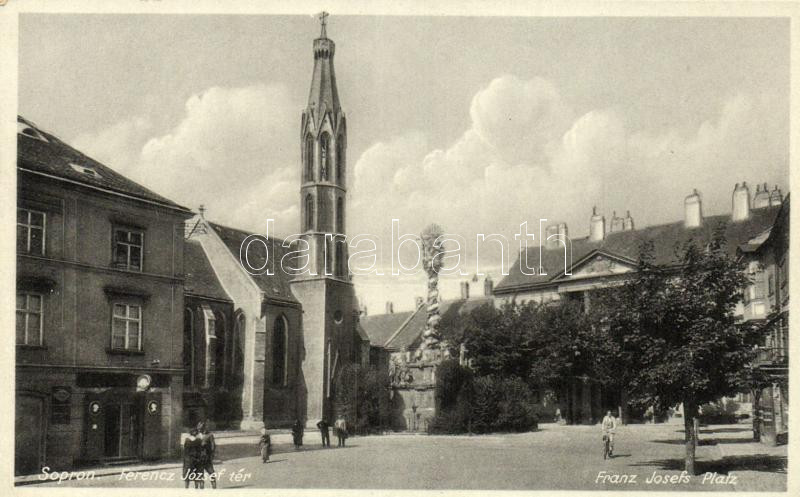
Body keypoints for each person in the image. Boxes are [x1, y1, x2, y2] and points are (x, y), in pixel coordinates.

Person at [197, 421, 217, 489]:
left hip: (207, 457)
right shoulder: (197, 435)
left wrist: (212, 455)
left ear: (204, 428)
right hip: (199, 458)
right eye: (198, 428)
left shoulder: (210, 435)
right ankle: (201, 488)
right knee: (200, 473)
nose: (199, 430)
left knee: (211, 472)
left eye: (201, 428)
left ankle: (214, 487)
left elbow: (213, 446)